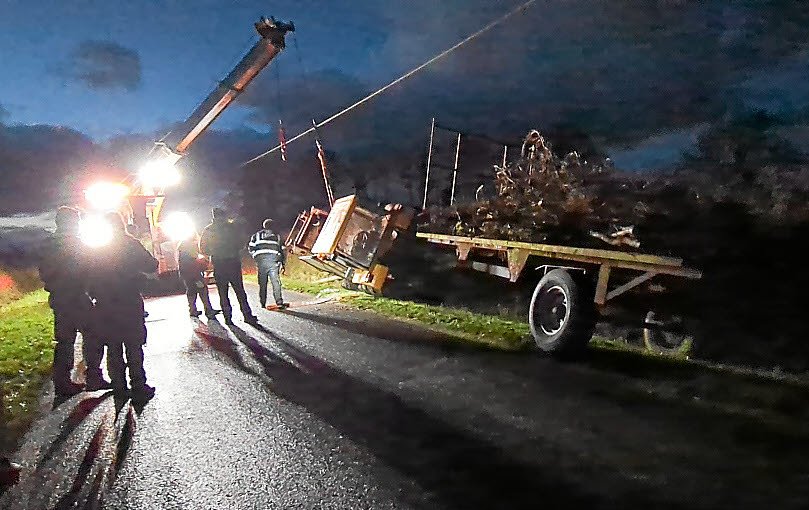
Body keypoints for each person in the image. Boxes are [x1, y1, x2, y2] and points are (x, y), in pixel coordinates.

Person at [85, 211, 158, 403]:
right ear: (122, 224)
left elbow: (86, 276)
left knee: (113, 345)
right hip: (129, 301)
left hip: (104, 304)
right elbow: (151, 264)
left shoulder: (96, 249)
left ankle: (119, 386)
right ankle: (138, 385)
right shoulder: (130, 244)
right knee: (134, 344)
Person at [38, 206, 110, 397]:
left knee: (64, 341)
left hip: (60, 298)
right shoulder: (77, 244)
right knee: (93, 335)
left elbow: (45, 273)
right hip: (77, 296)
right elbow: (90, 269)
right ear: (73, 223)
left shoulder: (48, 245)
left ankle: (62, 383)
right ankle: (93, 376)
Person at [199, 208, 258, 325]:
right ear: (224, 215)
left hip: (219, 264)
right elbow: (241, 243)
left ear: (213, 216)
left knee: (222, 291)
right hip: (233, 262)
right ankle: (247, 315)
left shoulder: (208, 230)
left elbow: (203, 249)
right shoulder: (232, 228)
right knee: (239, 290)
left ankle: (228, 317)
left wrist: (214, 252)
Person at [248, 218, 288, 309]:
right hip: (273, 262)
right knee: (276, 282)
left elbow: (250, 248)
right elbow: (282, 250)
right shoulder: (277, 236)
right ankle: (279, 302)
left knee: (262, 283)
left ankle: (262, 302)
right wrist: (282, 263)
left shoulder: (255, 236)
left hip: (261, 263)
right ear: (273, 226)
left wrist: (255, 256)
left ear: (264, 226)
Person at [177, 233, 219, 318]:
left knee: (191, 291)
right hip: (194, 275)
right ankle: (208, 310)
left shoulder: (182, 249)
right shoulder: (188, 248)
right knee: (202, 289)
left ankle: (192, 310)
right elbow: (195, 259)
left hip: (187, 275)